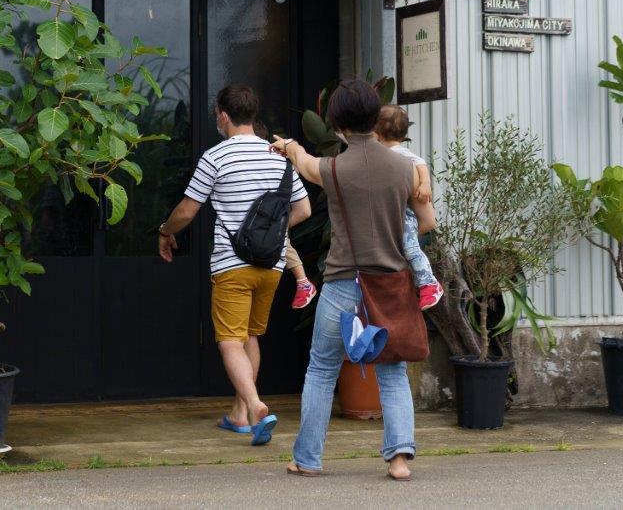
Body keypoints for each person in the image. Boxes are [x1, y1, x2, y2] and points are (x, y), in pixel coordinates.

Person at [272, 78, 436, 481]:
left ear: (337, 123)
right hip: (392, 286)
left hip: (345, 283)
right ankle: (398, 460)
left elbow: (305, 163)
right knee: (392, 372)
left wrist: (289, 146)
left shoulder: (334, 168)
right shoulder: (405, 168)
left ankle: (307, 459)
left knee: (322, 369)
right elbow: (428, 220)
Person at [158, 84, 311, 446]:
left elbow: (187, 210)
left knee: (229, 341)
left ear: (223, 116)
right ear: (253, 115)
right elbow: (303, 210)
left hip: (233, 265)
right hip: (271, 266)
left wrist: (165, 231)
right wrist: (269, 233)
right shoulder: (278, 155)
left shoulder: (216, 157)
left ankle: (256, 406)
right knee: (251, 337)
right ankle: (240, 415)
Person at [374, 104, 444, 310]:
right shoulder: (382, 152)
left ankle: (429, 283)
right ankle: (421, 283)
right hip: (393, 213)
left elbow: (420, 163)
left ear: (376, 132)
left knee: (410, 248)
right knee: (406, 249)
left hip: (404, 214)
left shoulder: (398, 153)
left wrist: (425, 183)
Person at [252, 120, 318, 311]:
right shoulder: (278, 159)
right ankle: (303, 281)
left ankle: (304, 282)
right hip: (274, 213)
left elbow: (304, 208)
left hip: (275, 213)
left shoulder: (271, 158)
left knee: (283, 242)